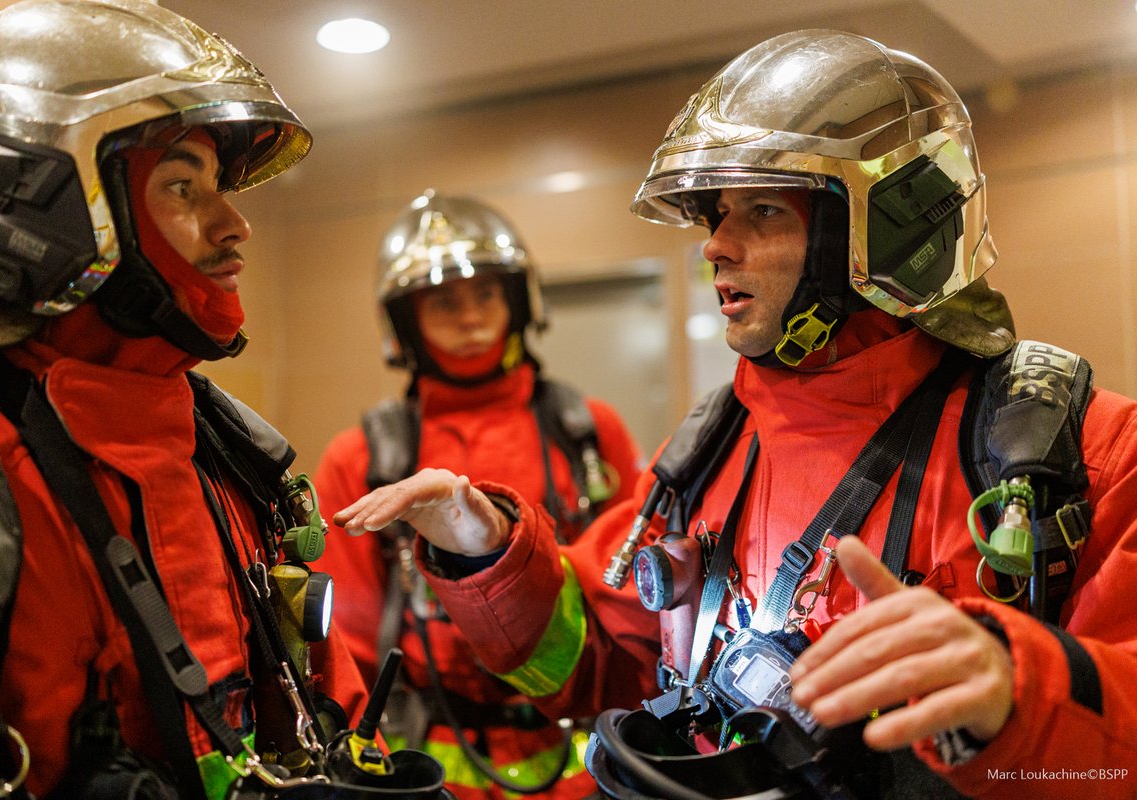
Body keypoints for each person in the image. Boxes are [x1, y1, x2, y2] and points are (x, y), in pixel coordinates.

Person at [333, 30, 1137, 800]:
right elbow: (599, 661)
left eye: (764, 212)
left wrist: (1017, 694)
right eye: (717, 214)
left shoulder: (1080, 451)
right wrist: (485, 553)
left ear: (885, 226)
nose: (715, 245)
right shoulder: (710, 453)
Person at [0, 2, 376, 798]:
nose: (236, 224)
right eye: (183, 186)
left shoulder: (233, 457)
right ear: (54, 210)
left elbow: (326, 707)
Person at [312, 191, 643, 800]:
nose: (470, 318)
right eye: (443, 301)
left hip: (580, 759)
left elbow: (632, 598)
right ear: (406, 320)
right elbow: (349, 638)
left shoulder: (589, 431)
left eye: (486, 294)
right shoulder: (361, 457)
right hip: (427, 761)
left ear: (516, 299)